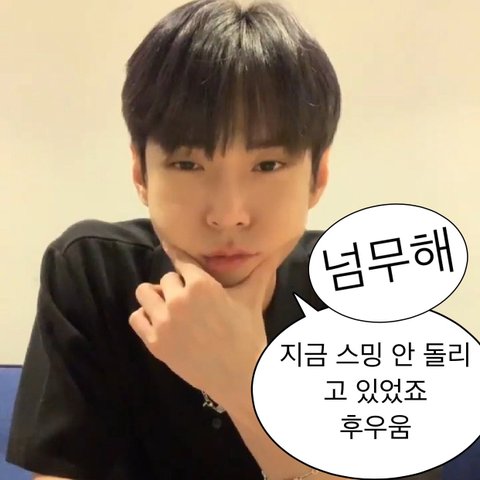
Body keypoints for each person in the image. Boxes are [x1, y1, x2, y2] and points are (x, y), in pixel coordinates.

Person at [6, 0, 442, 479]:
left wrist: (244, 382)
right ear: (141, 174)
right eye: (188, 164)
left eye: (268, 165)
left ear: (317, 176)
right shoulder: (92, 273)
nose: (229, 215)